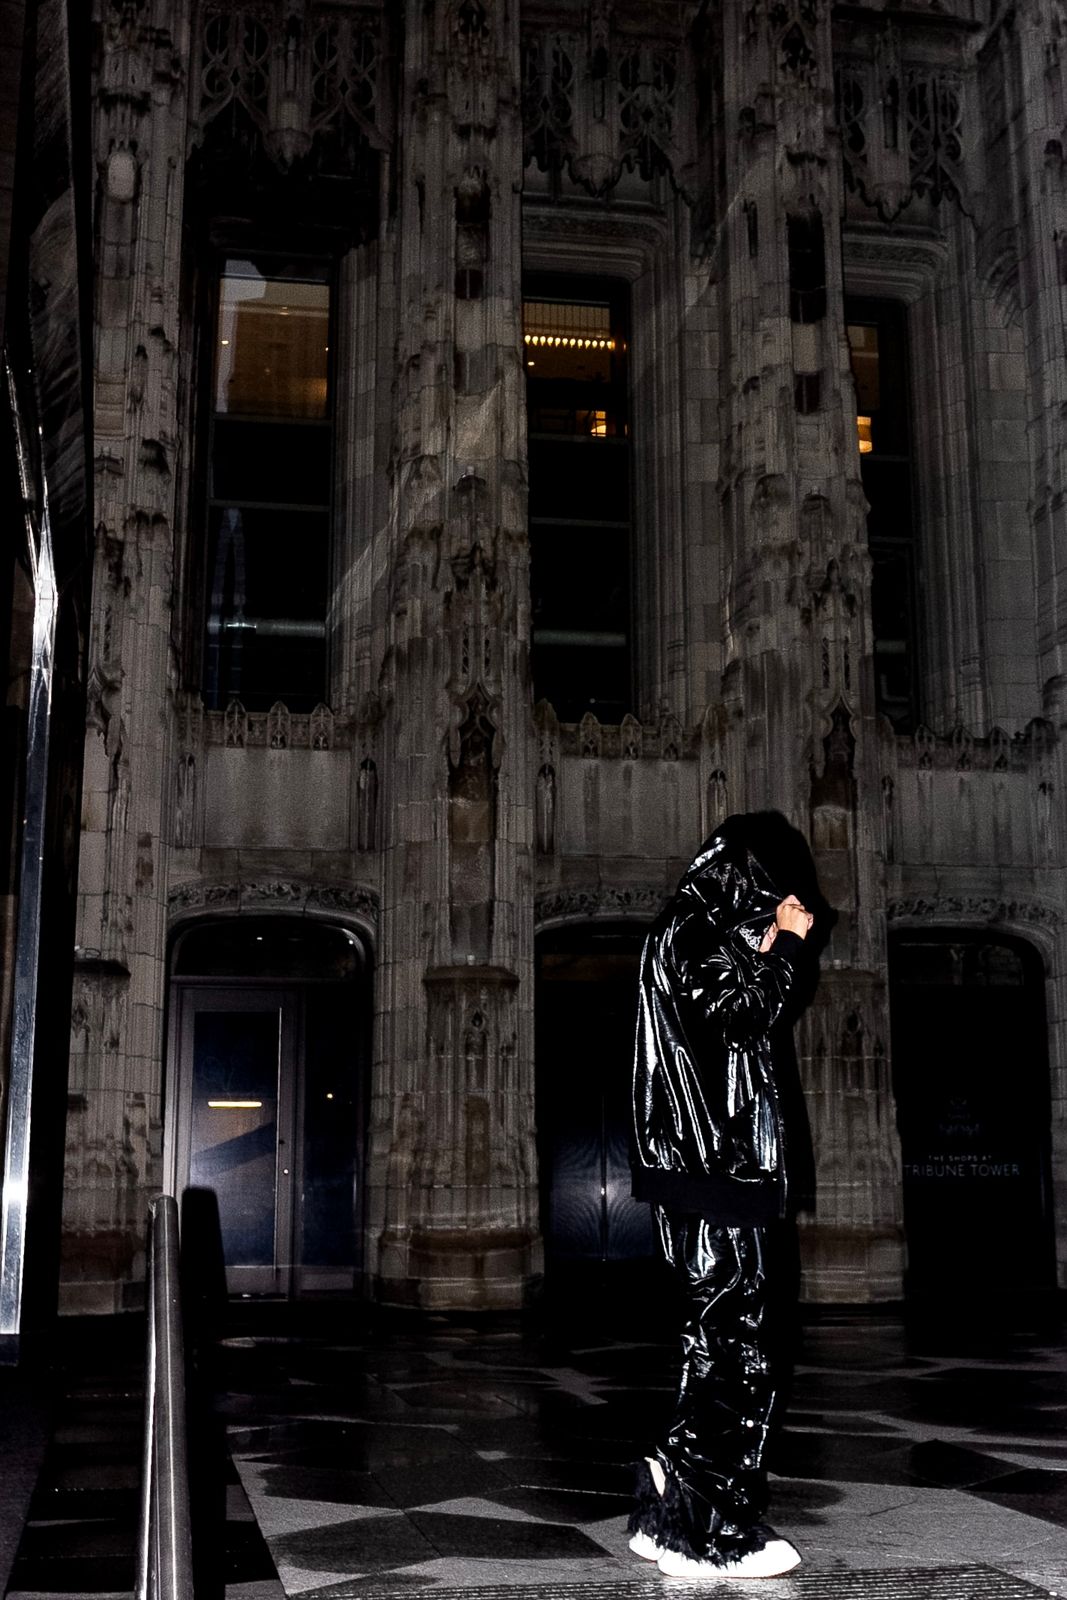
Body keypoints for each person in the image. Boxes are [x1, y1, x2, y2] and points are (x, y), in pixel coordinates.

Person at [627, 811, 825, 1579]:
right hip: (716, 1166)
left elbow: (725, 1022)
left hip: (707, 1167)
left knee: (713, 1335)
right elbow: (742, 1019)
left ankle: (665, 1504)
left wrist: (767, 947)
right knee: (738, 1339)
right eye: (777, 889)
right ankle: (706, 1533)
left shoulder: (690, 929)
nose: (786, 904)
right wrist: (789, 947)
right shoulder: (694, 931)